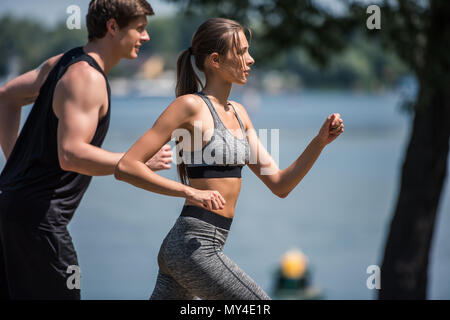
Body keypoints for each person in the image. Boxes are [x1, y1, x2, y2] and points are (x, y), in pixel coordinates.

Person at [114, 18, 344, 300]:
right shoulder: (189, 107)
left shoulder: (239, 113)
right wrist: (189, 192)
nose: (251, 59)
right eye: (242, 52)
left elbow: (281, 184)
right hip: (193, 246)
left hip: (195, 248)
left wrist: (320, 141)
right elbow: (127, 166)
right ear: (215, 61)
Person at [0, 0, 173, 300]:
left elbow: (6, 98)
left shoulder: (63, 62)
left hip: (10, 207)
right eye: (140, 29)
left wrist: (16, 166)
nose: (145, 37)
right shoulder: (87, 78)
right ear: (112, 27)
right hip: (40, 222)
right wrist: (133, 160)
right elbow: (71, 154)